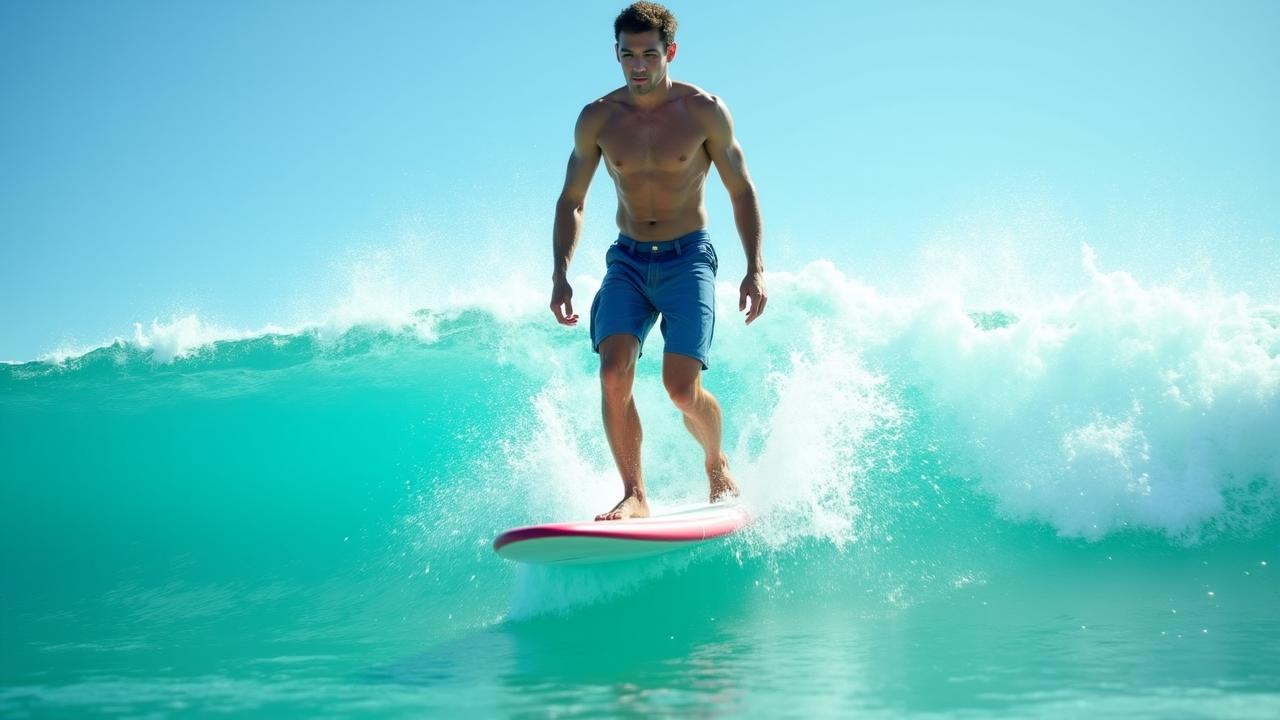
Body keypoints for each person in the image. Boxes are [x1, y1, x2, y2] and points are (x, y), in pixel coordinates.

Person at [549, 2, 766, 521]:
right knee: (612, 372)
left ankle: (716, 462)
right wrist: (559, 272)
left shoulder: (703, 112)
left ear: (670, 52)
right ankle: (635, 493)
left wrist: (754, 266)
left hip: (688, 255)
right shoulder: (598, 118)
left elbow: (741, 191)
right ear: (616, 55)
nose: (638, 66)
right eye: (628, 55)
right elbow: (572, 200)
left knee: (681, 390)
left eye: (649, 54)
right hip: (626, 260)